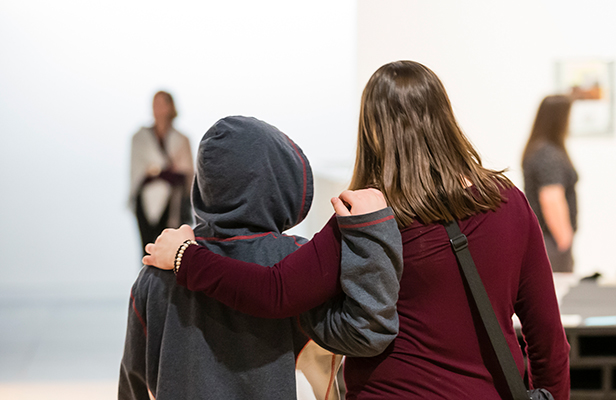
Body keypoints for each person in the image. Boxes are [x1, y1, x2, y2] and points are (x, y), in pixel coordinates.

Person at [145, 61, 571, 399]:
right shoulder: (507, 202)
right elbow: (548, 337)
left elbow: (275, 291)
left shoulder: (370, 216)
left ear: (372, 131)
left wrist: (185, 256)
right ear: (444, 117)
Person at [119, 116, 403, 400]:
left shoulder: (159, 268)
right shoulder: (295, 262)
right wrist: (374, 236)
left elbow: (134, 379)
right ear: (283, 182)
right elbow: (361, 336)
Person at [129, 91, 194, 254]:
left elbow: (186, 174)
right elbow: (138, 173)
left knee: (171, 250)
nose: (157, 108)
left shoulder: (181, 139)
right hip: (145, 200)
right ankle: (147, 280)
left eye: (162, 103)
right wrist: (166, 172)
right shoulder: (140, 138)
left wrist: (158, 172)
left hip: (173, 201)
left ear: (170, 107)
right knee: (147, 249)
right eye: (155, 103)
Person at [522, 95, 578, 273]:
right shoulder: (547, 153)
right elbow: (551, 197)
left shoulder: (541, 149)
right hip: (551, 241)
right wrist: (564, 238)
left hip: (547, 240)